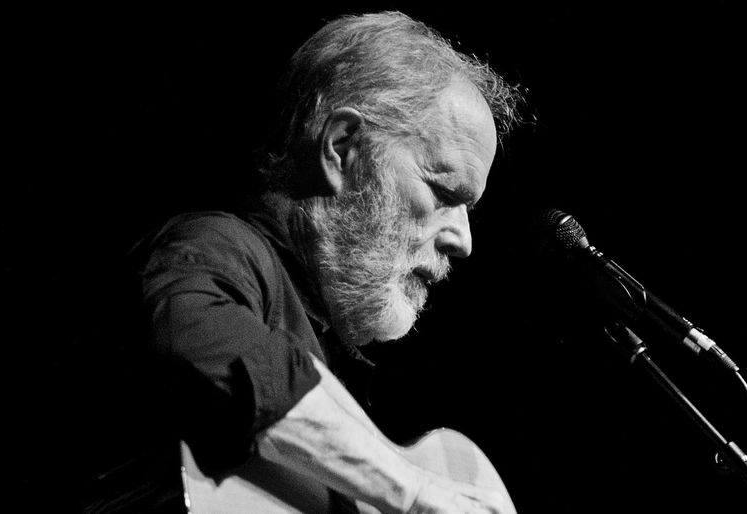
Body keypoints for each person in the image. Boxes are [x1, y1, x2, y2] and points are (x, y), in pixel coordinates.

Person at [86, 11, 524, 514]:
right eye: (445, 192)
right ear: (342, 147)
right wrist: (415, 490)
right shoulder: (217, 247)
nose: (463, 240)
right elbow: (195, 333)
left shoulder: (332, 354)